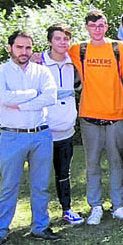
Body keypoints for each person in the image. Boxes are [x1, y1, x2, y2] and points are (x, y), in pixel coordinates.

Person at [0, 30, 60, 245]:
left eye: (28, 47)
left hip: (41, 134)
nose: (24, 52)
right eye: (19, 47)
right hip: (12, 135)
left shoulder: (42, 72)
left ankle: (40, 226)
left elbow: (50, 98)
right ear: (10, 48)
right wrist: (33, 94)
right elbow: (4, 98)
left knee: (41, 185)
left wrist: (20, 100)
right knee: (8, 186)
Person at [71, 8, 123, 225]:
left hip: (117, 115)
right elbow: (55, 56)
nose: (97, 29)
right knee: (92, 164)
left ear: (107, 27)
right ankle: (96, 206)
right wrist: (38, 56)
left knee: (117, 162)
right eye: (92, 26)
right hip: (89, 116)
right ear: (87, 28)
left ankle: (118, 205)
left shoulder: (118, 47)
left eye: (101, 25)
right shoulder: (78, 49)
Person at [43, 23, 82, 225]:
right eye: (58, 38)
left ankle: (67, 209)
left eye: (66, 39)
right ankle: (40, 216)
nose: (62, 42)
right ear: (50, 41)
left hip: (66, 129)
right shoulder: (37, 63)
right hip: (42, 131)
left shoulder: (73, 61)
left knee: (63, 173)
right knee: (39, 176)